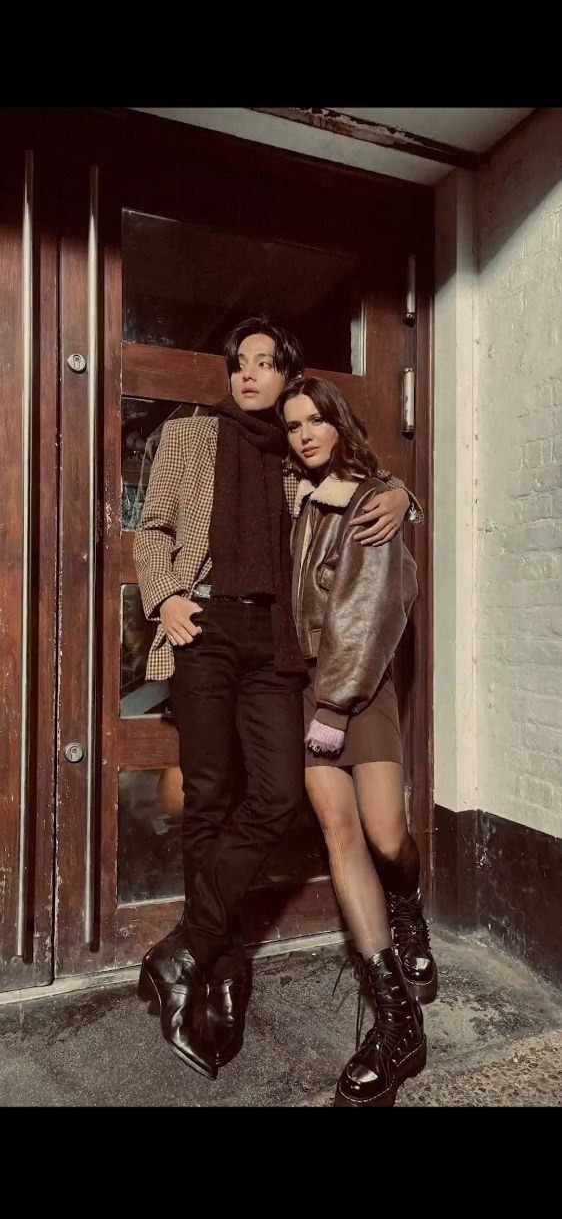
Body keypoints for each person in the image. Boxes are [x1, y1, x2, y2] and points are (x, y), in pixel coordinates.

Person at [133, 314, 420, 1082]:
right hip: (203, 628)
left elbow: (363, 486)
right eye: (240, 363)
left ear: (289, 376)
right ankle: (222, 965)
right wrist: (164, 597)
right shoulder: (188, 436)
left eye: (265, 362)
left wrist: (405, 495)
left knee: (277, 792)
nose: (249, 374)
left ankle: (186, 947)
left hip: (276, 643)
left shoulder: (299, 453)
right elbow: (152, 529)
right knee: (208, 794)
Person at [280, 374, 436, 1108]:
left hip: (361, 687)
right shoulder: (299, 496)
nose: (305, 434)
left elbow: (370, 613)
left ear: (339, 424)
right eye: (293, 425)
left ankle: (408, 909)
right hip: (313, 685)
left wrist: (337, 707)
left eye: (316, 420)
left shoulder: (372, 501)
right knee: (340, 834)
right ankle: (398, 1021)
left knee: (385, 836)